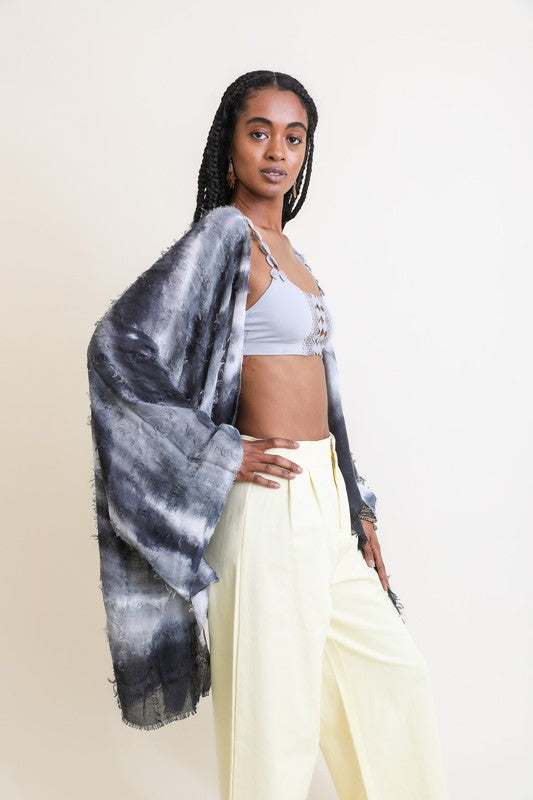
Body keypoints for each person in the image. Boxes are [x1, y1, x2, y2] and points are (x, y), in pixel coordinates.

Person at [87, 70, 449, 800]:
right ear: (230, 146)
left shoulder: (291, 252)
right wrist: (216, 450)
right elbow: (116, 345)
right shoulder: (224, 236)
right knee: (273, 723)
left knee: (389, 678)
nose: (277, 151)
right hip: (266, 505)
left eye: (294, 137)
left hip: (324, 496)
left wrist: (358, 505)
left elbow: (325, 395)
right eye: (260, 133)